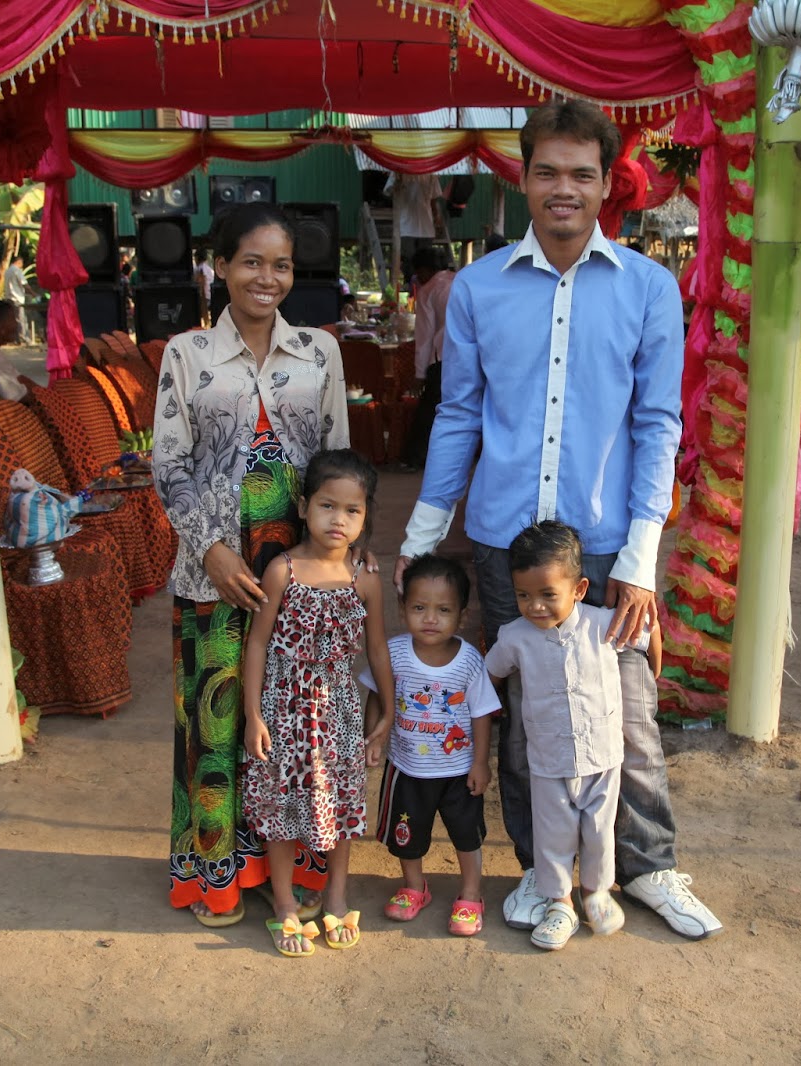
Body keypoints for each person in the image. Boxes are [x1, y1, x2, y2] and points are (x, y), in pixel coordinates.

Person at [394, 98, 724, 941]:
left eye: (582, 173)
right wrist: (422, 538)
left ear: (609, 183)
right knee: (520, 717)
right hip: (505, 542)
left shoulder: (648, 288)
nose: (563, 189)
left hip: (606, 548)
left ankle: (647, 868)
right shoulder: (478, 288)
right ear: (524, 178)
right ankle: (544, 879)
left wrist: (640, 559)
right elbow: (458, 415)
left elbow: (659, 424)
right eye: (547, 172)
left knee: (629, 713)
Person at [153, 202, 352, 931]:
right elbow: (169, 464)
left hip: (297, 569)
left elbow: (339, 460)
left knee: (295, 725)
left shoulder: (320, 351)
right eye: (251, 262)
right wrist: (210, 548)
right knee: (218, 721)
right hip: (212, 570)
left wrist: (341, 552)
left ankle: (290, 873)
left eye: (282, 265)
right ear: (220, 266)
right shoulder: (187, 354)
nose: (267, 278)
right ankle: (219, 878)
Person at [242, 449, 392, 957]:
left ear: (365, 518)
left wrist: (388, 712)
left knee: (342, 804)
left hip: (339, 712)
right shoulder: (282, 571)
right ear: (305, 507)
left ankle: (336, 896)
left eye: (352, 510)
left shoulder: (364, 578)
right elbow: (257, 643)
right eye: (328, 506)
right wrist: (253, 715)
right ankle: (285, 902)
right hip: (283, 709)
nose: (338, 519)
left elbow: (376, 649)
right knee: (281, 804)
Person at [484, 522, 648, 950]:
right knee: (552, 836)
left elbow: (644, 635)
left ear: (579, 589)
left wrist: (654, 634)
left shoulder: (604, 626)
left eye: (547, 594)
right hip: (548, 760)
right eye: (523, 595)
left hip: (603, 757)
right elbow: (489, 672)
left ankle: (596, 895)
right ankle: (560, 905)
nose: (535, 606)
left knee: (599, 832)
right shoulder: (515, 637)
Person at [362, 554, 499, 937]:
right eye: (419, 607)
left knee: (466, 836)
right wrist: (373, 737)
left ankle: (470, 893)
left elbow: (482, 713)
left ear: (462, 615)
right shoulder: (393, 653)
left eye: (443, 610)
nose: (431, 619)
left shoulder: (469, 661)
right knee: (407, 836)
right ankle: (413, 887)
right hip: (407, 769)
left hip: (458, 772)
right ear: (402, 608)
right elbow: (376, 694)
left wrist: (481, 762)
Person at [402, 245, 455, 469]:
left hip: (442, 357)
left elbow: (424, 336)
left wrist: (419, 374)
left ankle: (415, 458)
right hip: (471, 356)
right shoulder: (462, 281)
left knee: (429, 410)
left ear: (423, 270)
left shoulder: (429, 290)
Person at [3, 254, 31, 343]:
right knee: (21, 319)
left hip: (9, 297)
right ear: (19, 262)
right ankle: (23, 337)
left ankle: (15, 338)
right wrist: (33, 293)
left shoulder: (7, 271)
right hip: (17, 298)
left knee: (13, 319)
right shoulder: (16, 271)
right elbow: (24, 284)